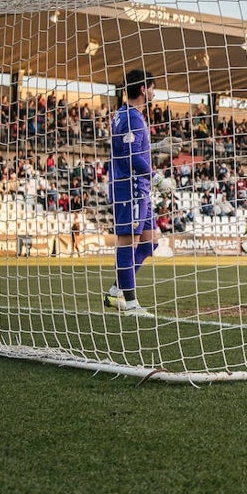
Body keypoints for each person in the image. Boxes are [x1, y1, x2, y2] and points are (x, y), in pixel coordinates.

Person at [104, 68, 173, 317]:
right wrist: (157, 178)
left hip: (139, 189)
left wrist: (157, 145)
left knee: (150, 242)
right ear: (144, 89)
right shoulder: (132, 117)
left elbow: (131, 146)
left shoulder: (123, 114)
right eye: (153, 87)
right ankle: (131, 304)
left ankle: (115, 290)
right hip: (130, 187)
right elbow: (131, 155)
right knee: (128, 244)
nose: (155, 91)